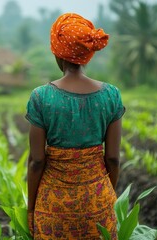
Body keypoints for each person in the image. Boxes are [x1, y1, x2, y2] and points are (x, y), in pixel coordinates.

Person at [25, 13, 125, 239]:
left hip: (53, 208)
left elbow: (37, 161)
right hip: (97, 204)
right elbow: (113, 159)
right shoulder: (111, 95)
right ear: (87, 55)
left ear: (57, 53)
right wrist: (105, 194)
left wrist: (31, 208)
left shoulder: (41, 97)